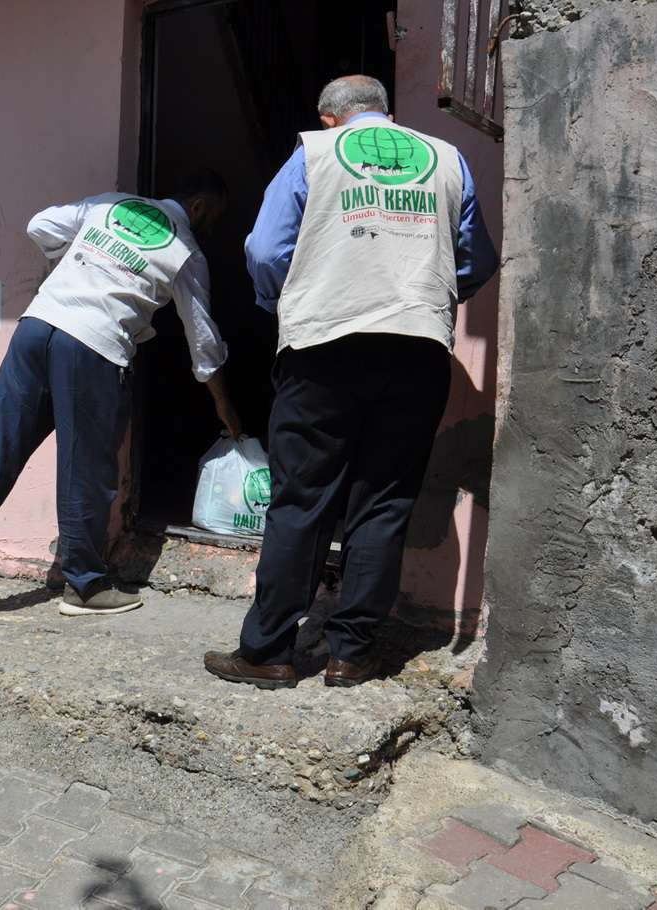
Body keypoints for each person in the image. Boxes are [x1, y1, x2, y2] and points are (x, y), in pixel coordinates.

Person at [204, 75, 498, 689]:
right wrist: (426, 296)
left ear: (330, 117)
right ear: (386, 116)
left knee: (303, 499)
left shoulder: (312, 152)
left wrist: (286, 301)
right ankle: (350, 653)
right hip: (417, 347)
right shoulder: (448, 159)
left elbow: (263, 250)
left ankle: (268, 653)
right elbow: (475, 260)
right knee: (384, 500)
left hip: (324, 345)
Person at [0, 172, 243, 616]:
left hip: (38, 324)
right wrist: (224, 404)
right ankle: (84, 585)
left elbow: (40, 226)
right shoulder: (186, 252)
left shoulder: (111, 205)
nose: (212, 228)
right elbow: (203, 340)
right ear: (199, 207)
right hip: (93, 344)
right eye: (214, 218)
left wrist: (82, 264)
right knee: (86, 466)